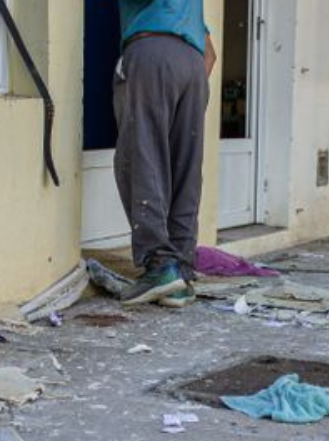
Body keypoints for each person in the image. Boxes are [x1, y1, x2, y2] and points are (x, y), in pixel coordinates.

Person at [113, 0, 216, 307]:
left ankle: (159, 265)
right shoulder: (188, 12)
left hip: (151, 53)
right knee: (185, 166)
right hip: (194, 65)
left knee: (142, 157)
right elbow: (210, 53)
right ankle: (181, 272)